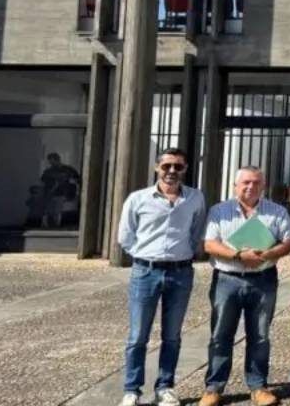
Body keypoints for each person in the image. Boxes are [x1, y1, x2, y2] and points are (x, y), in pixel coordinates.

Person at [117, 148, 207, 406]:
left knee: (172, 335)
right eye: (167, 166)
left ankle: (165, 387)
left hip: (180, 272)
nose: (172, 171)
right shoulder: (138, 198)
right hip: (145, 271)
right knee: (138, 336)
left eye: (178, 166)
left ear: (185, 169)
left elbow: (197, 230)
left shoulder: (195, 198)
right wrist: (145, 255)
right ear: (157, 167)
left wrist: (185, 253)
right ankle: (132, 390)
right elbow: (125, 235)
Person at [199, 167, 290, 406]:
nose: (251, 187)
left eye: (256, 182)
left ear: (263, 186)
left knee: (260, 336)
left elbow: (288, 243)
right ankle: (214, 387)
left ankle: (258, 386)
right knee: (221, 334)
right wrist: (239, 255)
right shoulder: (219, 211)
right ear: (235, 186)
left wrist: (268, 253)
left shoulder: (277, 211)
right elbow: (209, 244)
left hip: (263, 279)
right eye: (246, 182)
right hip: (227, 279)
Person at [40, 153, 81, 228]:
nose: (51, 163)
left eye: (52, 161)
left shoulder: (68, 170)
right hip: (51, 195)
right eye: (50, 162)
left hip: (63, 195)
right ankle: (51, 227)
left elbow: (77, 179)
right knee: (50, 213)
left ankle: (57, 226)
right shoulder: (49, 171)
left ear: (57, 160)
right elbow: (43, 181)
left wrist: (70, 183)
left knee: (58, 212)